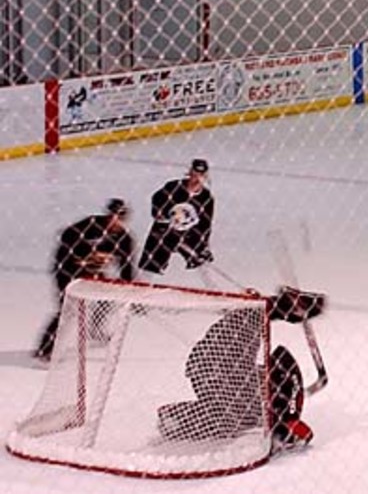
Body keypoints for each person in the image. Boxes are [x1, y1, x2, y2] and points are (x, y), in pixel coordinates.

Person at [157, 285, 326, 453]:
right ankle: (175, 419)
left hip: (212, 369)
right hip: (214, 367)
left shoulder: (260, 406)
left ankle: (174, 420)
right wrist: (283, 306)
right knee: (237, 414)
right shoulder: (278, 398)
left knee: (234, 418)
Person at [35, 198, 136, 361]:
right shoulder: (91, 224)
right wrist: (86, 253)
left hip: (90, 274)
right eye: (112, 216)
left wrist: (129, 285)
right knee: (67, 310)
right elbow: (66, 235)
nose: (114, 220)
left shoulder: (124, 239)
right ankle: (45, 349)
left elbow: (127, 265)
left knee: (108, 294)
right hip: (67, 271)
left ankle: (96, 327)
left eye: (119, 217)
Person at [139, 158, 215, 274]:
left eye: (201, 174)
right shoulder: (173, 187)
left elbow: (205, 224)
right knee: (151, 264)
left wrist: (203, 245)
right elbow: (157, 200)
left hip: (189, 234)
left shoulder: (206, 197)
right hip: (165, 230)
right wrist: (162, 215)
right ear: (190, 172)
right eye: (195, 173)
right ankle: (145, 281)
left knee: (200, 261)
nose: (197, 177)